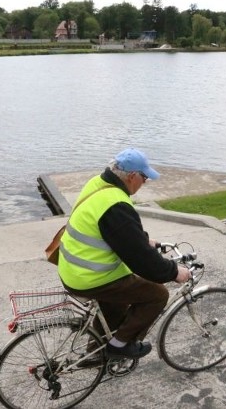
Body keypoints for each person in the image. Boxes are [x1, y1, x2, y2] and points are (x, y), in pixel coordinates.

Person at [58, 148, 191, 359]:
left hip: (71, 268)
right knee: (157, 295)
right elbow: (144, 262)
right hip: (89, 277)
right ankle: (119, 346)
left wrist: (143, 239)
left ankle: (97, 352)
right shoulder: (116, 204)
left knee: (117, 302)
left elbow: (111, 229)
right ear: (131, 176)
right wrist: (174, 272)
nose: (145, 182)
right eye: (144, 177)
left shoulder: (98, 184)